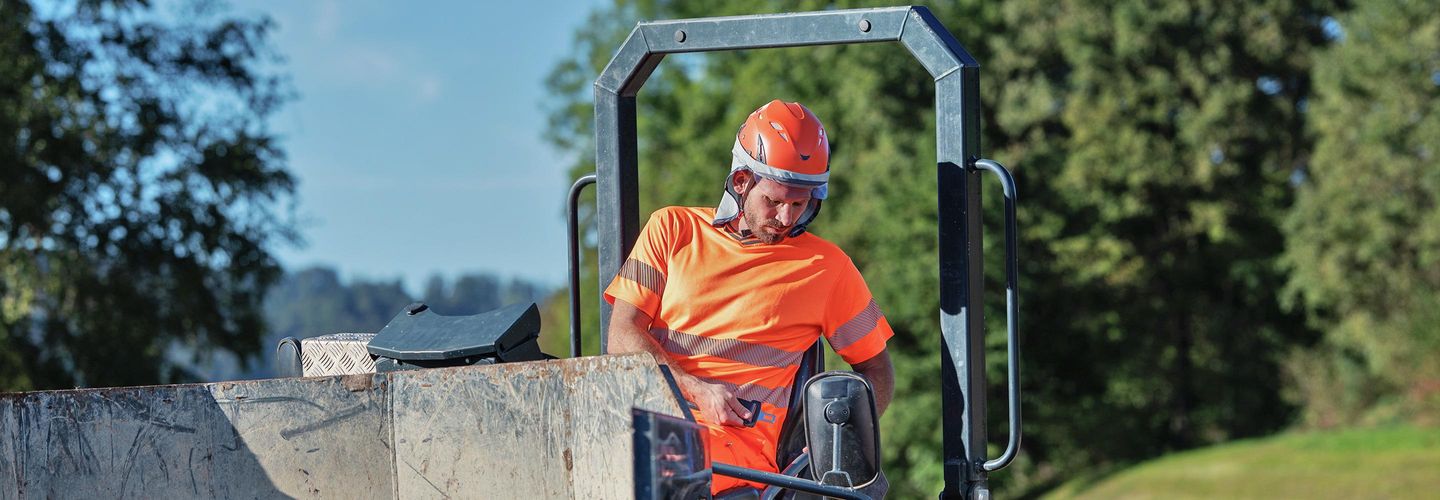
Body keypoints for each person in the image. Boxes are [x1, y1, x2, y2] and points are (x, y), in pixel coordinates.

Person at [605, 99, 895, 494]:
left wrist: (835, 446)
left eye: (800, 203)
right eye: (774, 201)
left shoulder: (828, 267)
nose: (786, 218)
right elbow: (622, 336)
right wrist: (697, 389)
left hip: (735, 465)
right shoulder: (671, 229)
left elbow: (877, 370)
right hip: (650, 436)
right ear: (741, 181)